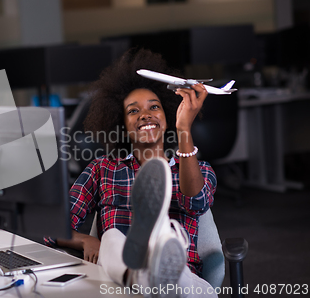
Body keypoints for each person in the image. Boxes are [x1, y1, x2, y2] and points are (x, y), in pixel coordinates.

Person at [51, 47, 218, 297]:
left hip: (185, 284)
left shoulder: (198, 168)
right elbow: (55, 224)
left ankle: (158, 263)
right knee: (111, 240)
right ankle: (140, 272)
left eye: (154, 107)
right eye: (133, 111)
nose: (145, 115)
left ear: (168, 115)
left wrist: (184, 128)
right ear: (121, 123)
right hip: (121, 282)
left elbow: (196, 202)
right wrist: (87, 240)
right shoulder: (102, 169)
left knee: (173, 271)